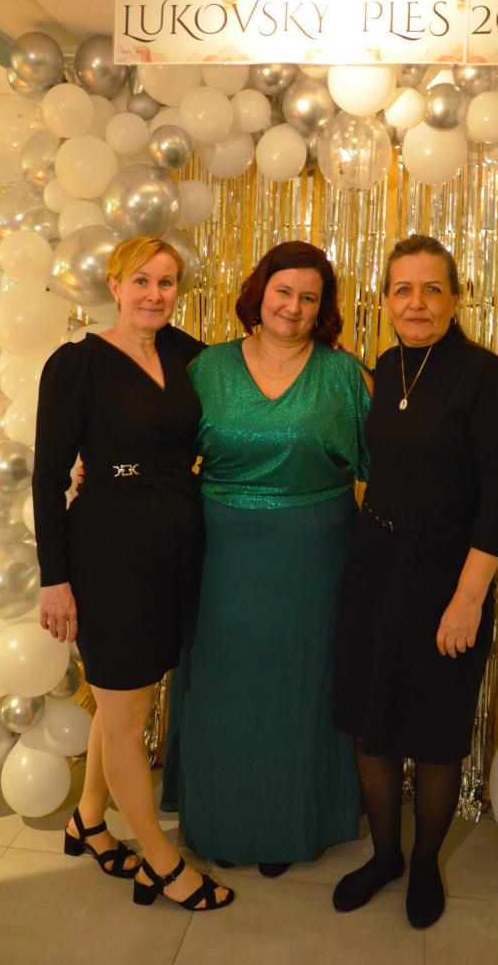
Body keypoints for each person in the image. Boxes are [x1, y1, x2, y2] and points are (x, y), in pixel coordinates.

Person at [32, 236, 233, 913]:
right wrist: (55, 579)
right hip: (107, 554)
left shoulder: (187, 354)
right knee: (127, 714)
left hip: (174, 550)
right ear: (114, 286)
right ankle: (162, 863)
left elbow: (250, 380)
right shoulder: (77, 364)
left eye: (166, 282)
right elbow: (48, 478)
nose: (154, 294)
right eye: (141, 280)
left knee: (125, 698)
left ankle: (89, 820)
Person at [162, 240, 371, 875]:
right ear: (260, 293)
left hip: (315, 556)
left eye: (309, 297)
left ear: (322, 308)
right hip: (220, 554)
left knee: (299, 688)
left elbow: (387, 465)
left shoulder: (343, 375)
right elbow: (160, 448)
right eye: (284, 291)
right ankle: (223, 822)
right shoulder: (207, 368)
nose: (293, 306)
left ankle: (290, 826)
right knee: (224, 687)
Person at [332, 234, 498, 929]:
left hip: (448, 577)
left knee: (437, 735)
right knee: (371, 727)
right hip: (374, 569)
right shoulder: (385, 367)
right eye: (403, 289)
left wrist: (467, 600)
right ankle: (386, 855)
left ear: (456, 299)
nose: (416, 303)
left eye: (432, 289)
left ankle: (424, 865)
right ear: (386, 300)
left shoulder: (483, 375)